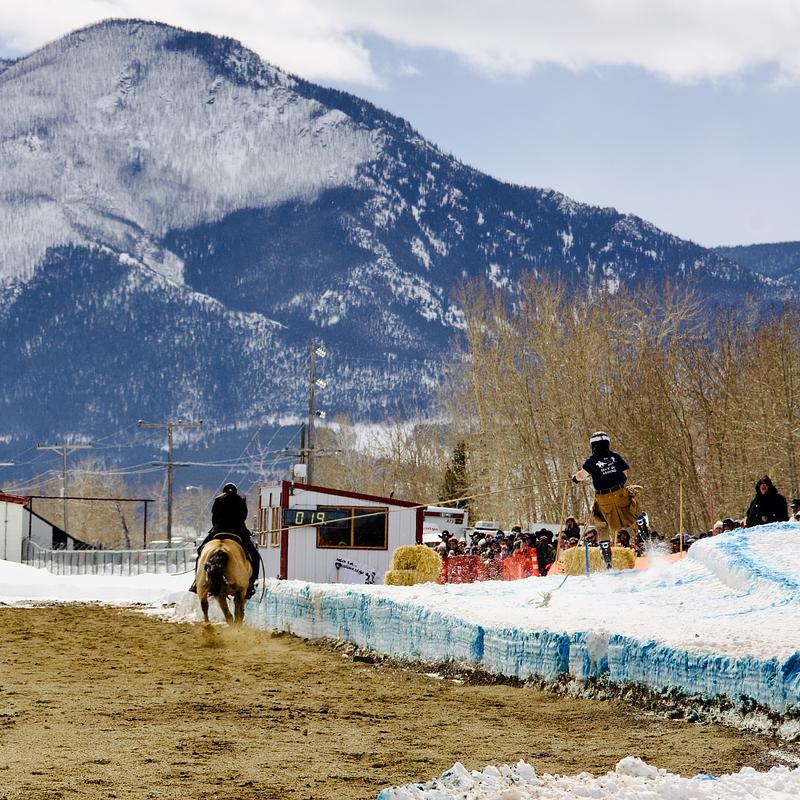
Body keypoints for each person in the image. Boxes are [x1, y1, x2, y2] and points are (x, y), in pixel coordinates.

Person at [572, 431, 644, 569]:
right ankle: (639, 519)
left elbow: (581, 476)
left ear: (593, 445)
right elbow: (625, 473)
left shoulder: (592, 461)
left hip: (603, 497)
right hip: (619, 492)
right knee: (631, 503)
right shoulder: (615, 456)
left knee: (600, 521)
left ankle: (605, 550)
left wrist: (575, 478)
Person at [191, 483, 260, 598]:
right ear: (235, 491)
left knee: (200, 551)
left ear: (223, 491)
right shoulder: (240, 500)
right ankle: (251, 584)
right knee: (255, 556)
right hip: (238, 532)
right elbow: (243, 516)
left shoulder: (218, 500)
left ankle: (196, 581)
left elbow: (214, 518)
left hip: (218, 531)